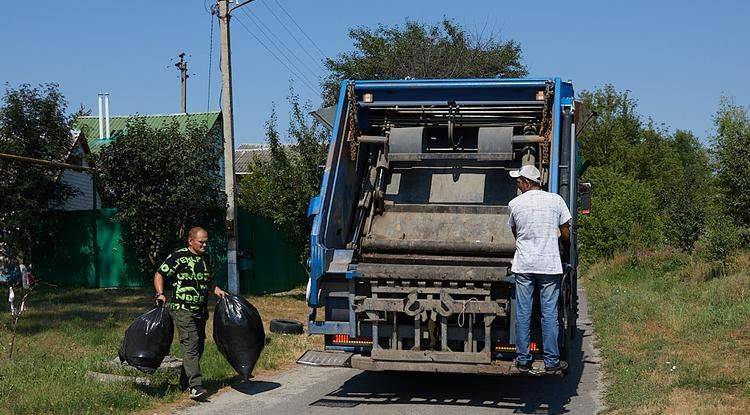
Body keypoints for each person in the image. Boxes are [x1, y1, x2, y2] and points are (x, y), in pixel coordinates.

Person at [507, 165, 572, 373]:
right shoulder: (556, 200)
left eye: (519, 181)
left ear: (527, 182)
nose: (517, 184)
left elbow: (515, 231)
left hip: (524, 265)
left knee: (524, 313)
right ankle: (552, 361)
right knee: (549, 314)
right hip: (549, 265)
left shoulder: (515, 204)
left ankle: (523, 359)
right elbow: (565, 230)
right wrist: (564, 245)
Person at [154, 227, 227, 400]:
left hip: (200, 310)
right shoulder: (178, 257)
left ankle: (184, 383)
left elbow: (208, 281)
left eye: (206, 241)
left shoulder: (206, 259)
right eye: (201, 242)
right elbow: (159, 274)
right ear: (191, 241)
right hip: (181, 308)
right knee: (191, 342)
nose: (205, 245)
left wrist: (218, 291)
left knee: (199, 346)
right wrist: (160, 293)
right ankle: (195, 386)